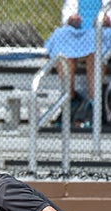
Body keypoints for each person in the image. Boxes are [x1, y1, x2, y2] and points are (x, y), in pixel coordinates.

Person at [45, 0, 111, 128]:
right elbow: (67, 14)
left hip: (104, 31)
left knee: (95, 42)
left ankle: (94, 103)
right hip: (80, 31)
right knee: (61, 36)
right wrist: (71, 19)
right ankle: (69, 100)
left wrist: (107, 20)